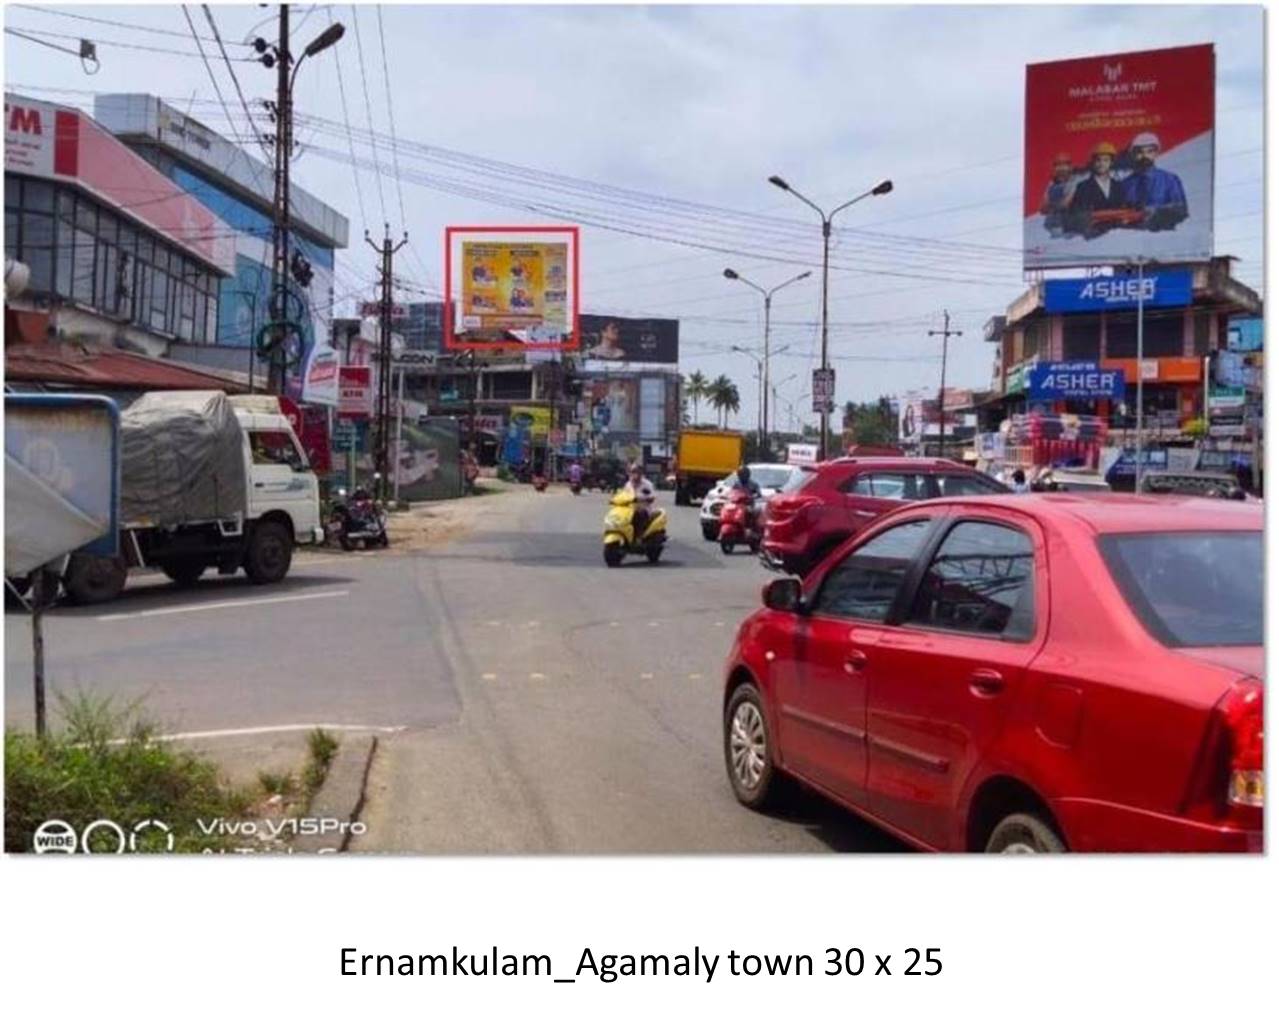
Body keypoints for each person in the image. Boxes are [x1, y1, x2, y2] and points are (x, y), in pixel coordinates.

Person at [1118, 132, 1189, 232]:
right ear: (1133, 154)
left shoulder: (1170, 180)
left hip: (1165, 236)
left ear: (1156, 153)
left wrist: (1156, 212)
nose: (1144, 156)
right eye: (1139, 152)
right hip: (1133, 238)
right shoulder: (1125, 185)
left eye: (1149, 151)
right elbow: (1119, 215)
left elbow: (1181, 210)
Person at [1066, 142, 1125, 238]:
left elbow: (1123, 210)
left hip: (1116, 236)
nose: (1101, 164)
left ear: (1111, 162)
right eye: (1098, 160)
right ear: (1093, 162)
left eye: (1106, 160)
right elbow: (1074, 215)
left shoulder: (1118, 186)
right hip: (1092, 238)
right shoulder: (1083, 187)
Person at [1040, 153, 1078, 237]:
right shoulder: (1051, 184)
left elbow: (1067, 203)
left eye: (1064, 165)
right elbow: (1043, 207)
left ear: (1069, 167)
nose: (1061, 169)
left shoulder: (1075, 182)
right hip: (1053, 222)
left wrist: (1053, 206)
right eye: (1058, 166)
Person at [625, 462, 656, 532]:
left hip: (644, 509)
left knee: (638, 514)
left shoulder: (647, 484)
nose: (634, 474)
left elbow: (652, 497)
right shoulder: (628, 484)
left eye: (636, 471)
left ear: (641, 473)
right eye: (632, 471)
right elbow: (623, 495)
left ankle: (639, 535)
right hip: (629, 509)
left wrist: (643, 498)